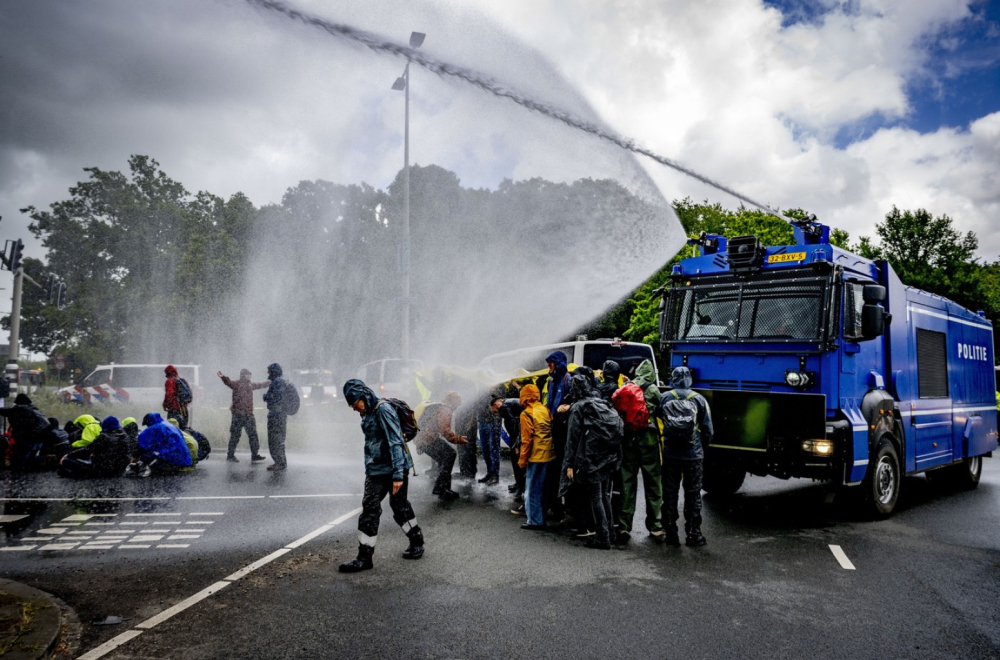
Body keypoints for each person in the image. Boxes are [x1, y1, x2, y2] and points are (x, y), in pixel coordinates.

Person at [340, 379, 423, 573]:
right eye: (351, 405)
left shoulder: (383, 409)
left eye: (355, 404)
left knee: (399, 506)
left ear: (364, 395)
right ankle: (364, 557)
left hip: (395, 469)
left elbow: (395, 442)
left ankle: (417, 541)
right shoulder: (367, 412)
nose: (353, 408)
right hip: (375, 470)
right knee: (370, 509)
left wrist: (397, 475)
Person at [563, 374, 624, 549]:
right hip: (607, 456)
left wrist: (569, 465)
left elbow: (572, 439)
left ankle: (602, 538)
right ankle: (610, 533)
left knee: (596, 497)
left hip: (591, 458)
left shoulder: (578, 408)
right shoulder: (602, 403)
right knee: (604, 495)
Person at [659, 366, 713, 547]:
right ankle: (694, 534)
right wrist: (700, 448)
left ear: (672, 379)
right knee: (693, 494)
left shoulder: (665, 398)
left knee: (669, 493)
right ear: (690, 379)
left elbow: (660, 420)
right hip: (693, 455)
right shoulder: (699, 399)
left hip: (671, 454)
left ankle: (671, 533)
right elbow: (708, 431)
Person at [613, 359, 665, 543]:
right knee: (653, 483)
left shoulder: (628, 387)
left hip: (628, 440)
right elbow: (661, 411)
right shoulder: (652, 390)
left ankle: (624, 526)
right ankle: (656, 526)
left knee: (627, 483)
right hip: (648, 441)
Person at [412, 391, 467, 500]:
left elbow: (422, 422)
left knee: (444, 459)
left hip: (421, 439)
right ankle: (440, 488)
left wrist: (419, 445)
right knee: (450, 454)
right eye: (458, 403)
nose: (458, 405)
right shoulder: (446, 410)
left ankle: (444, 489)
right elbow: (445, 431)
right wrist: (458, 439)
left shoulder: (436, 405)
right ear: (453, 401)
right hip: (428, 439)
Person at [518, 384, 554, 531]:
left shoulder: (526, 414)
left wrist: (522, 460)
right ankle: (542, 518)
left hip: (536, 456)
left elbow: (527, 440)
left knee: (532, 490)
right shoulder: (545, 409)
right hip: (550, 454)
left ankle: (534, 521)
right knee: (543, 489)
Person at [218, 369, 269, 463]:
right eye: (248, 374)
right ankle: (231, 456)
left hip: (247, 414)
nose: (250, 376)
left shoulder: (250, 385)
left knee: (252, 435)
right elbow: (228, 382)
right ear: (243, 375)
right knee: (236, 436)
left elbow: (259, 385)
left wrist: (268, 382)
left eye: (250, 374)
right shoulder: (237, 384)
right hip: (239, 415)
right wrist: (223, 377)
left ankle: (254, 455)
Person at [59, 416, 131, 478]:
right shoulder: (124, 436)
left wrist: (69, 454)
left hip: (102, 469)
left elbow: (88, 449)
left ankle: (79, 474)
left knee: (67, 461)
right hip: (119, 469)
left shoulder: (104, 436)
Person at [128, 413, 193, 476]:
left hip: (171, 458)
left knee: (146, 455)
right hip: (184, 458)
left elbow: (142, 446)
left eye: (147, 424)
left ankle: (155, 473)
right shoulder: (170, 425)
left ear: (149, 422)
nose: (147, 426)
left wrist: (134, 458)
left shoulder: (154, 428)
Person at [0, 393, 50, 469]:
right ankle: (29, 474)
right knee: (30, 460)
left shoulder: (21, 409)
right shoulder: (34, 409)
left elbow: (7, 411)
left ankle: (20, 475)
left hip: (29, 439)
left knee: (21, 461)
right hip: (40, 438)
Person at [491, 394, 525, 502]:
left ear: (496, 404)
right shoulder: (510, 402)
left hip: (518, 438)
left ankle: (520, 489)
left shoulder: (504, 407)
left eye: (495, 411)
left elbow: (513, 423)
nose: (497, 414)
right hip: (521, 435)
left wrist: (515, 443)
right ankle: (518, 484)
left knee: (517, 463)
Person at [261, 363, 289, 471]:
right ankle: (282, 462)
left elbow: (274, 396)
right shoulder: (282, 380)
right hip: (281, 415)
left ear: (274, 371)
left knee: (274, 439)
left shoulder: (277, 382)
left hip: (276, 415)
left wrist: (265, 396)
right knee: (280, 439)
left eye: (269, 371)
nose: (268, 373)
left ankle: (279, 463)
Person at [476, 392, 503, 485]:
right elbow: (476, 404)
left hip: (494, 421)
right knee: (485, 449)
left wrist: (493, 393)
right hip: (482, 420)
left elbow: (501, 401)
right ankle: (489, 473)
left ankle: (495, 474)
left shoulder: (497, 384)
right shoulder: (480, 388)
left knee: (494, 449)